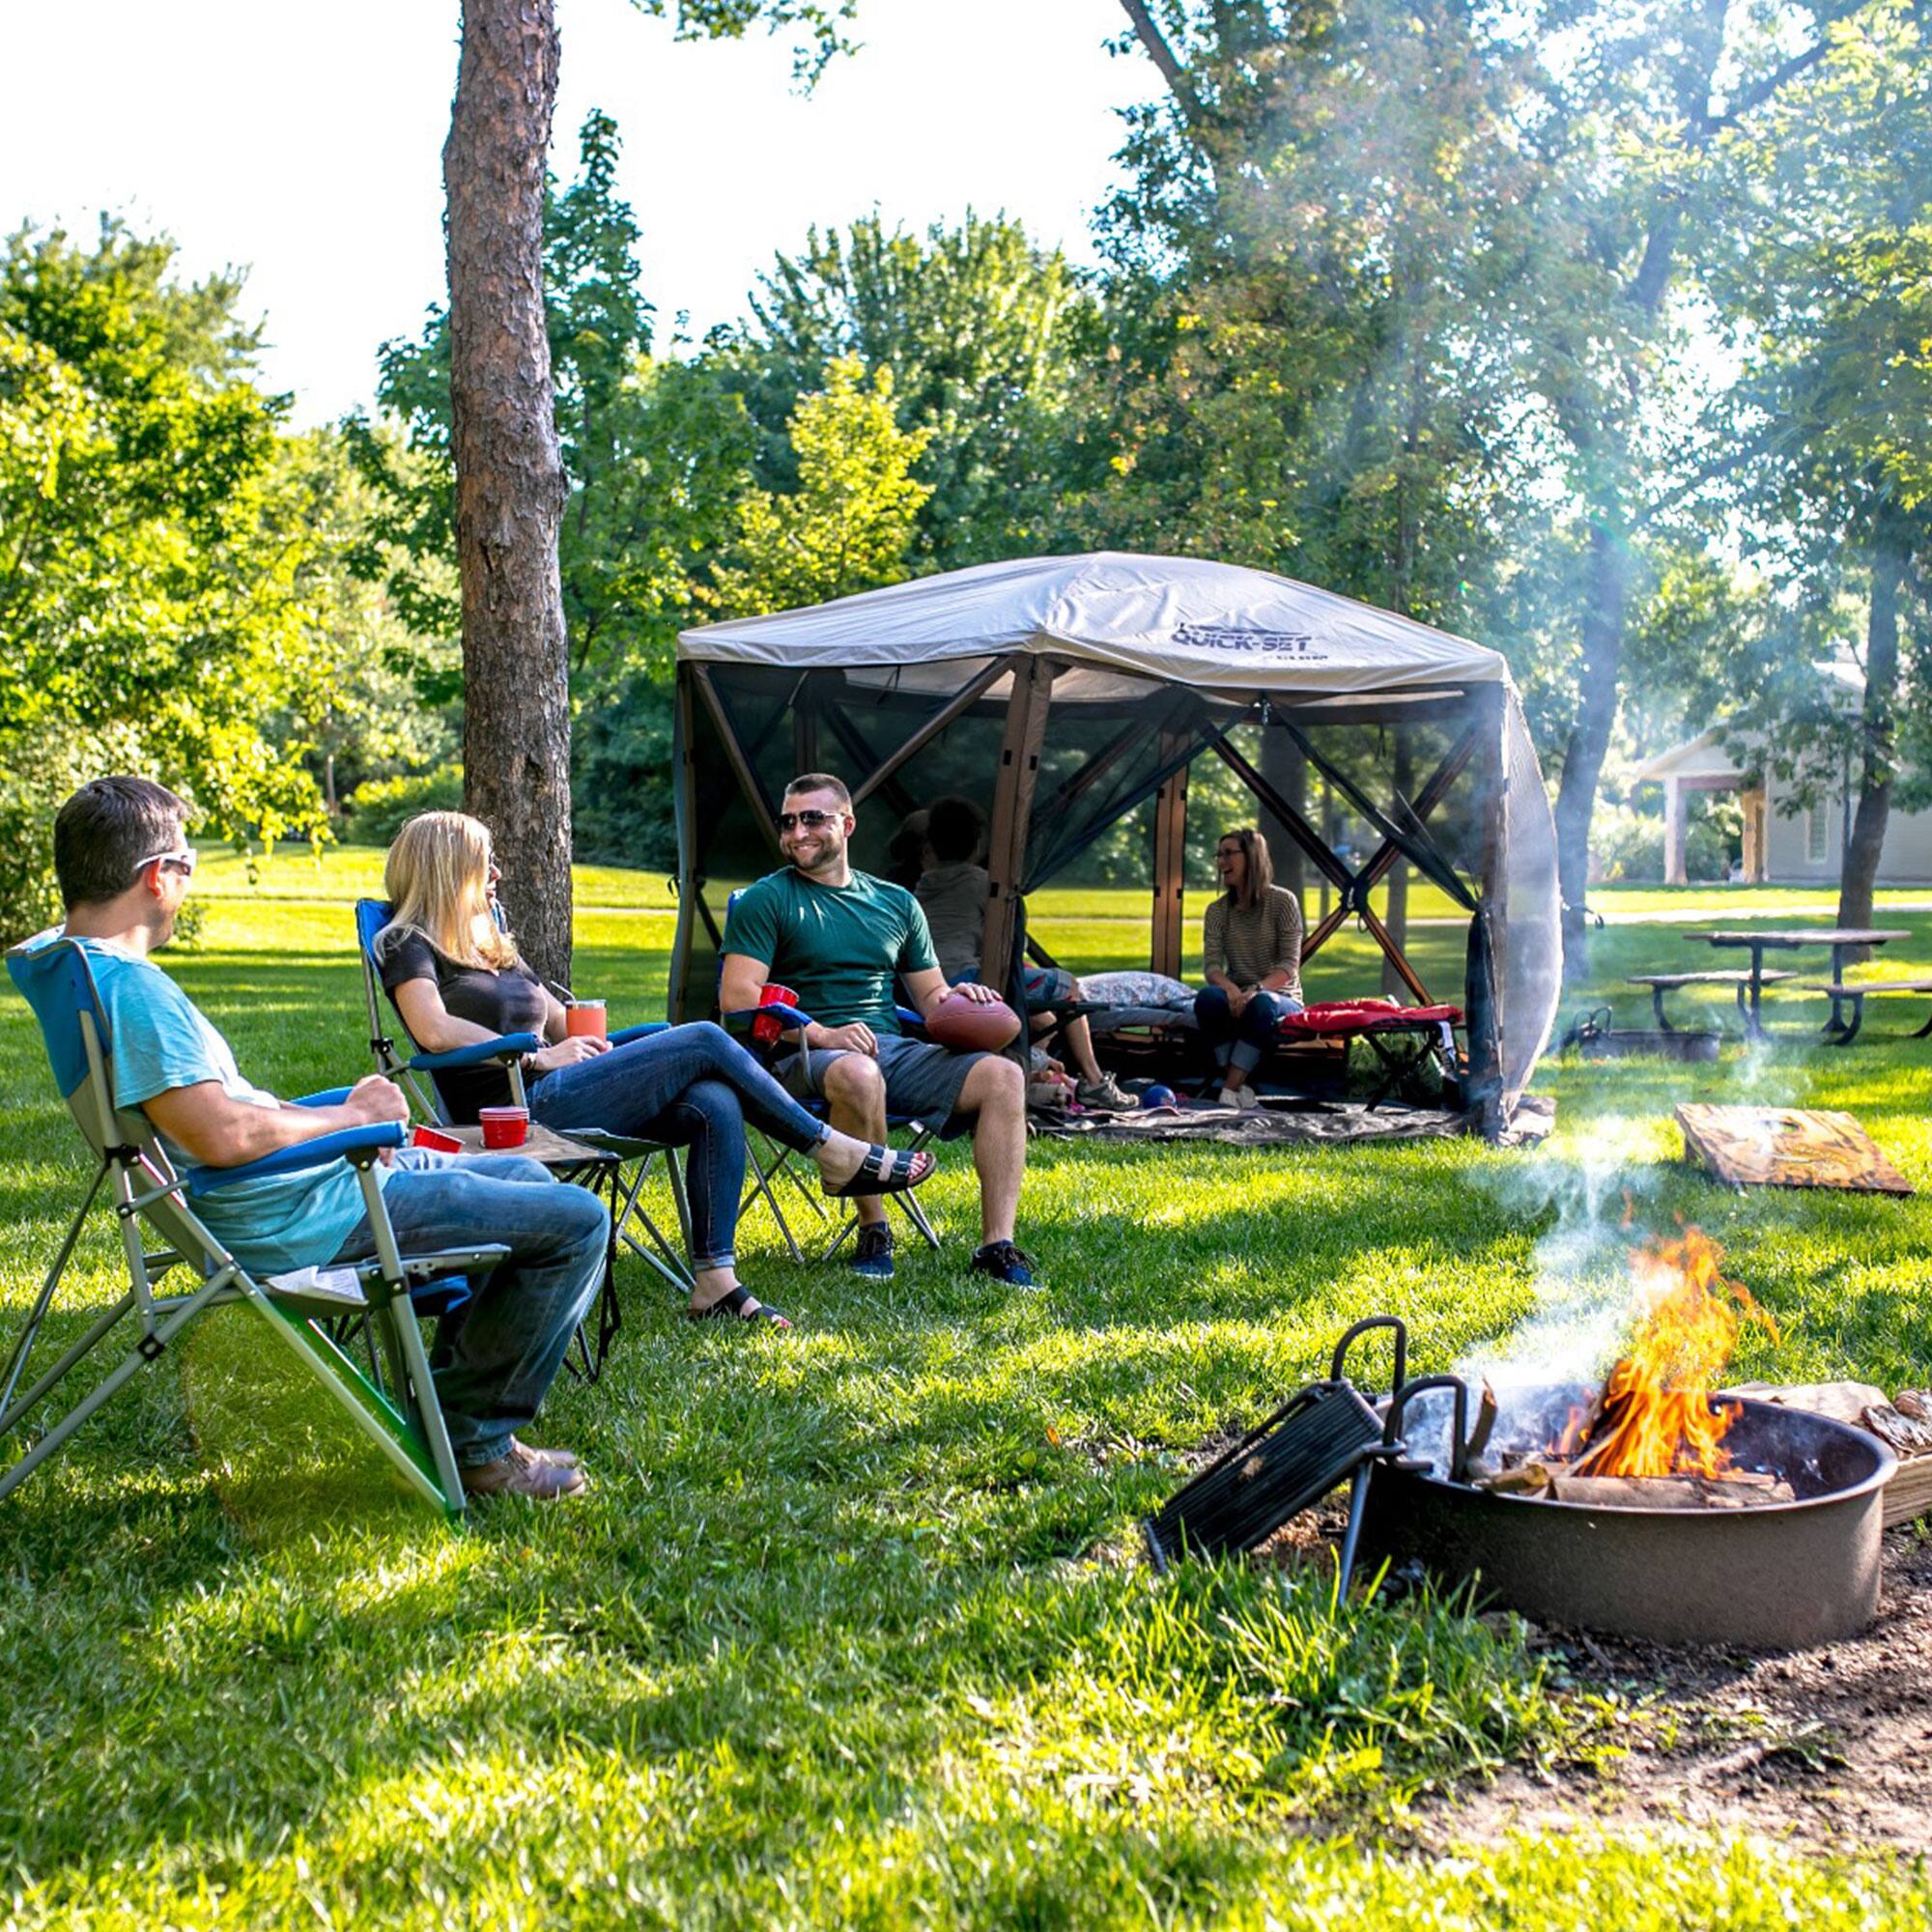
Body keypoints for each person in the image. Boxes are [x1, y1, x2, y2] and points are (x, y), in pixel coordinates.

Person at [46, 777, 606, 1502]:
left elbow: (227, 1114)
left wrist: (345, 1107)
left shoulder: (82, 969)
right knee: (578, 1223)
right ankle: (471, 1445)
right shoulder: (135, 992)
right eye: (187, 862)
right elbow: (226, 1135)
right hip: (304, 1216)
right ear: (159, 877)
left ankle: (449, 1418)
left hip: (297, 1190)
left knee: (528, 1183)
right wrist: (350, 1120)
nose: (187, 881)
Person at [377, 811, 932, 1330]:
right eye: (485, 863)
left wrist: (601, 1043)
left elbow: (566, 1027)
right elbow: (434, 1030)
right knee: (706, 1038)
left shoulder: (491, 947)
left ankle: (715, 1281)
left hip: (561, 1087)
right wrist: (535, 1055)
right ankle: (833, 1150)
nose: (497, 873)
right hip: (513, 1114)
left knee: (712, 1097)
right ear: (447, 869)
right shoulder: (409, 942)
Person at [718, 773, 1036, 1288]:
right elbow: (737, 998)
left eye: (812, 819)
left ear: (847, 824)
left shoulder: (896, 903)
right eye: (789, 822)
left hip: (888, 1045)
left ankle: (996, 1245)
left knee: (1003, 1076)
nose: (798, 832)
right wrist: (823, 1034)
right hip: (796, 1052)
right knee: (859, 1072)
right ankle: (875, 1227)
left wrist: (962, 998)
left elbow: (931, 998)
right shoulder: (766, 900)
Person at [914, 794, 1138, 1112]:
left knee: (1040, 1016)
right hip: (970, 982)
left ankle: (1033, 1067)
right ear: (977, 843)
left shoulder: (922, 886)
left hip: (930, 983)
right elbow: (1008, 944)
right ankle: (1094, 1081)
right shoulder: (984, 885)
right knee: (1067, 985)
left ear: (932, 844)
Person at [1196, 826, 1305, 1108]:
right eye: (1219, 855)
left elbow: (1289, 965)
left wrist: (1256, 990)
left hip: (1279, 997)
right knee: (1207, 998)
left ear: (1252, 857)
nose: (1221, 862)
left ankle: (1228, 1089)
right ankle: (1237, 1084)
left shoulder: (1283, 902)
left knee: (1262, 1005)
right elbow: (1211, 966)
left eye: (1229, 854)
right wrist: (1231, 989)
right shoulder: (1217, 911)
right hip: (1237, 994)